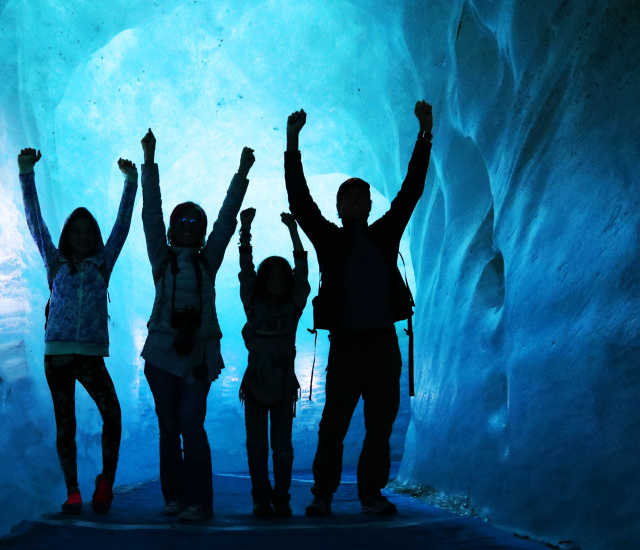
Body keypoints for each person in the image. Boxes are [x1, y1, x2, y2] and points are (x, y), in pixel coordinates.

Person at [284, 101, 433, 516]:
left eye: (362, 196)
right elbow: (300, 203)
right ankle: (323, 494)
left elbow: (411, 191)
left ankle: (370, 493)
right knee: (335, 423)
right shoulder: (329, 239)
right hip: (348, 345)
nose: (357, 200)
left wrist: (425, 134)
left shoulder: (385, 234)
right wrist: (292, 143)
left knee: (379, 425)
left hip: (384, 343)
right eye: (349, 197)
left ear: (369, 206)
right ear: (339, 207)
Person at [139, 128, 254, 521]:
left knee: (190, 423)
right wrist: (149, 161)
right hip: (161, 353)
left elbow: (227, 219)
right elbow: (150, 214)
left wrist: (241, 174)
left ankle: (199, 501)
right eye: (181, 219)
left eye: (195, 220)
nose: (188, 224)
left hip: (200, 354)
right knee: (170, 425)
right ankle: (175, 497)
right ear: (172, 229)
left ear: (203, 232)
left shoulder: (209, 260)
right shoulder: (162, 259)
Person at [17, 147, 137, 514]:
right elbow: (35, 221)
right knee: (65, 425)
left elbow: (122, 225)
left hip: (89, 358)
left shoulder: (103, 264)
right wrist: (26, 173)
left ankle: (106, 482)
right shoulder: (55, 263)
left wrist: (131, 182)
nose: (83, 237)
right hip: (57, 357)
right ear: (68, 236)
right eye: (77, 232)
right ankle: (72, 491)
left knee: (112, 415)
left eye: (89, 232)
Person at [237, 208, 310, 517]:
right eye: (272, 276)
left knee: (281, 447)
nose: (277, 281)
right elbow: (246, 269)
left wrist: (294, 231)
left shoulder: (293, 308)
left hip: (281, 387)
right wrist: (245, 232)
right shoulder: (252, 304)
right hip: (255, 385)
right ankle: (261, 497)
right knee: (256, 447)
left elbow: (303, 271)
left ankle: (281, 496)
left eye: (283, 276)